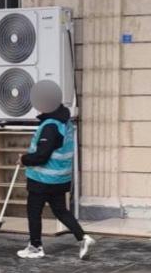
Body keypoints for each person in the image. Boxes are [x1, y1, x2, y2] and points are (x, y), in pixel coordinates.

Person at [17, 102, 95, 260]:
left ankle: (35, 247)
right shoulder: (66, 124)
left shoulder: (50, 126)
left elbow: (42, 156)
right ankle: (83, 237)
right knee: (61, 211)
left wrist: (24, 159)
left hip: (42, 179)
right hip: (60, 178)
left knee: (34, 212)